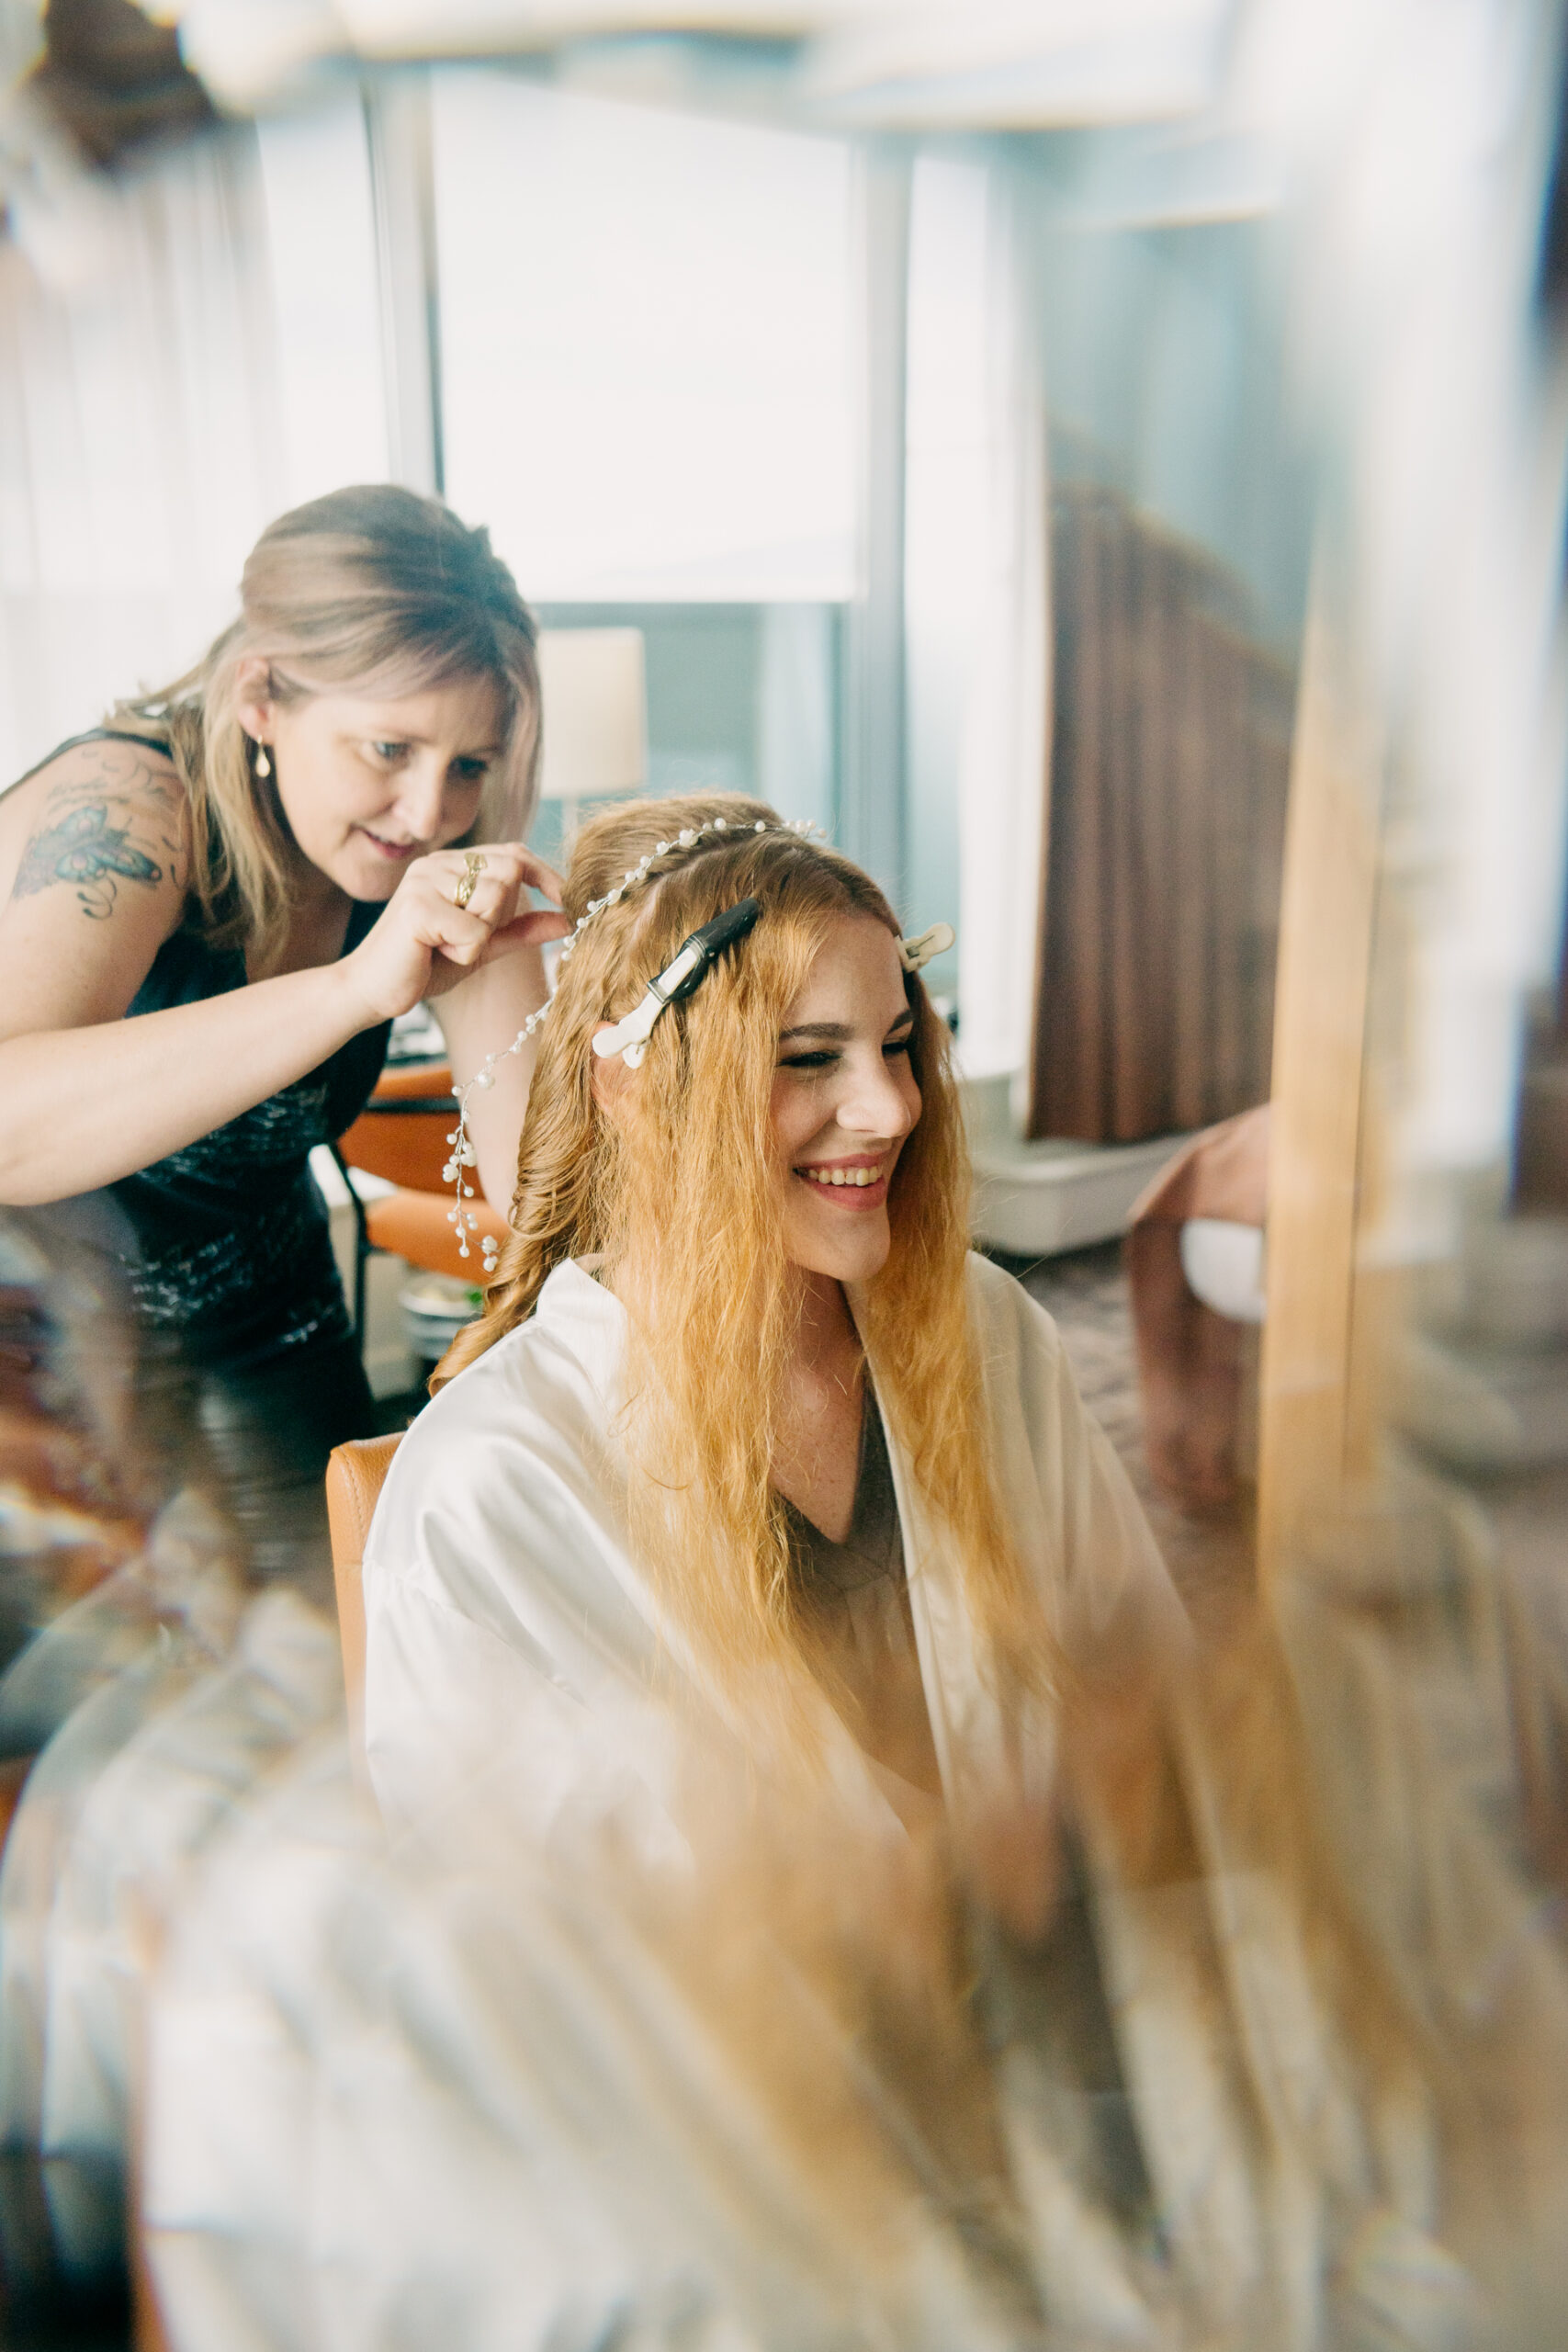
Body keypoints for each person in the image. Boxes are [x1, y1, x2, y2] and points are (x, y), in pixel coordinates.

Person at [0, 486, 566, 1589]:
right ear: (261, 696)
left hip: (266, 1312)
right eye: (389, 747)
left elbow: (536, 1181)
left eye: (469, 764)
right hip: (34, 1341)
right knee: (82, 1725)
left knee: (341, 1662)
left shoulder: (438, 847)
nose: (426, 813)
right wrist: (358, 986)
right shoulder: (129, 809)